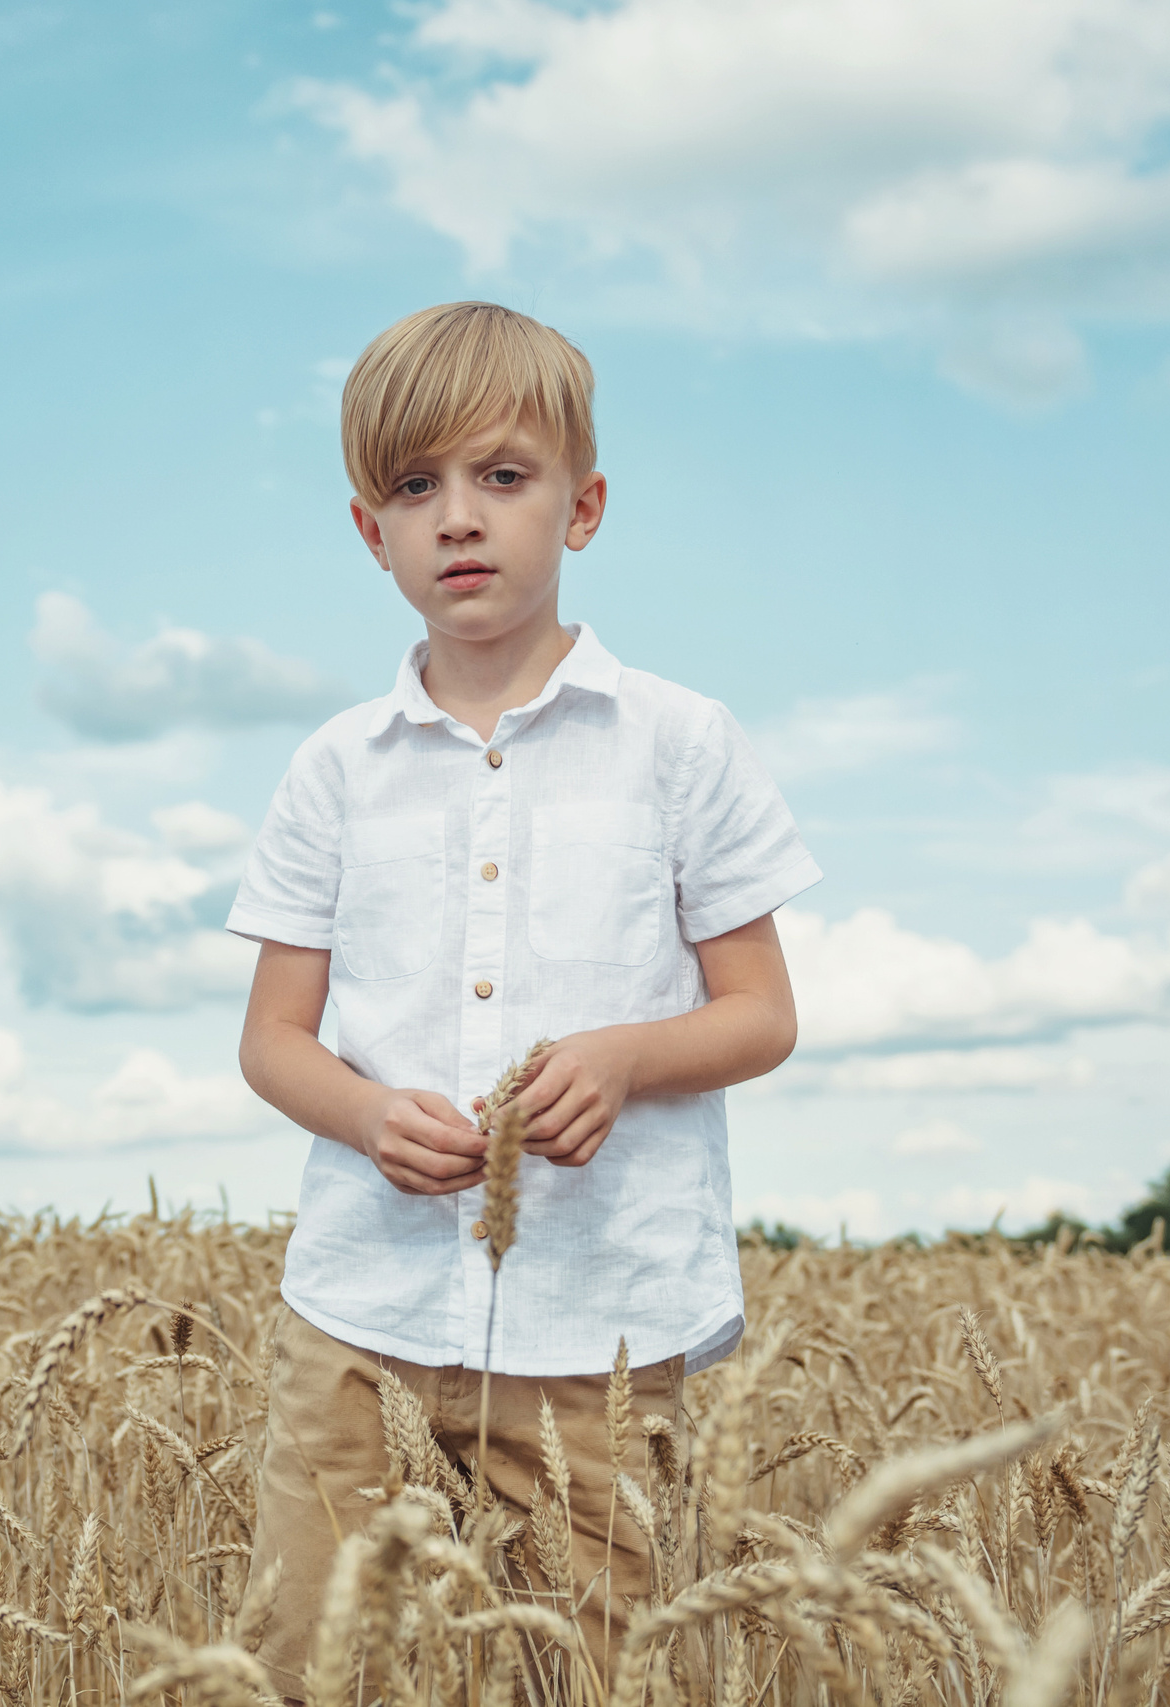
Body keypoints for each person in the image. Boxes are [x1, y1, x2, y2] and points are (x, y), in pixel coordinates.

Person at [225, 301, 819, 1694]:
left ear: (584, 505)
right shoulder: (335, 767)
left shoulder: (682, 745)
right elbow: (271, 1041)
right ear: (372, 534)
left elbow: (761, 1015)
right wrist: (368, 1115)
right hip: (361, 1313)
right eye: (416, 489)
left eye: (503, 477)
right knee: (320, 1662)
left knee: (587, 1675)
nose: (460, 520)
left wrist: (621, 1058)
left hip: (595, 1330)